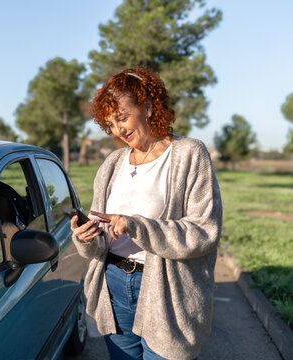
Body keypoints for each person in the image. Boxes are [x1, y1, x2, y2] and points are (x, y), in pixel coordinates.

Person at [70, 65, 222, 360]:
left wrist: (136, 225)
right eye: (110, 124)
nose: (118, 130)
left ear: (149, 107)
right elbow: (101, 239)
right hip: (113, 286)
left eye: (122, 117)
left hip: (165, 289)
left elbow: (204, 231)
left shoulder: (190, 154)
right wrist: (87, 237)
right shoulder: (112, 164)